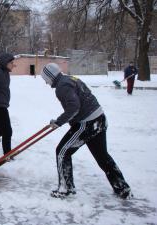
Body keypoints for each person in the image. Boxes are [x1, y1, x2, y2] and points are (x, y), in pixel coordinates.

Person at [40, 63, 133, 199]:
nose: (46, 83)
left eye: (46, 80)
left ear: (50, 76)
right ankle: (122, 188)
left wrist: (59, 122)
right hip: (99, 118)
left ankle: (66, 188)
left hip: (87, 123)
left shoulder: (62, 86)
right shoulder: (71, 79)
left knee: (62, 152)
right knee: (102, 156)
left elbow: (74, 107)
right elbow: (81, 103)